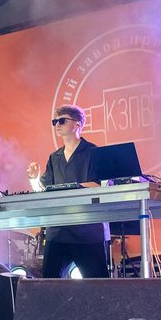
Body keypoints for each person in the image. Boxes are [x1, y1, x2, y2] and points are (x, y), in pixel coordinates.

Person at [26, 105, 109, 279]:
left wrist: (74, 188)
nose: (57, 124)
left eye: (62, 120)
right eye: (55, 121)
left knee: (98, 286)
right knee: (50, 284)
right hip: (58, 231)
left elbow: (102, 186)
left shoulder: (93, 152)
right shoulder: (54, 157)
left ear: (77, 124)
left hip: (87, 230)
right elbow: (43, 192)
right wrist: (34, 179)